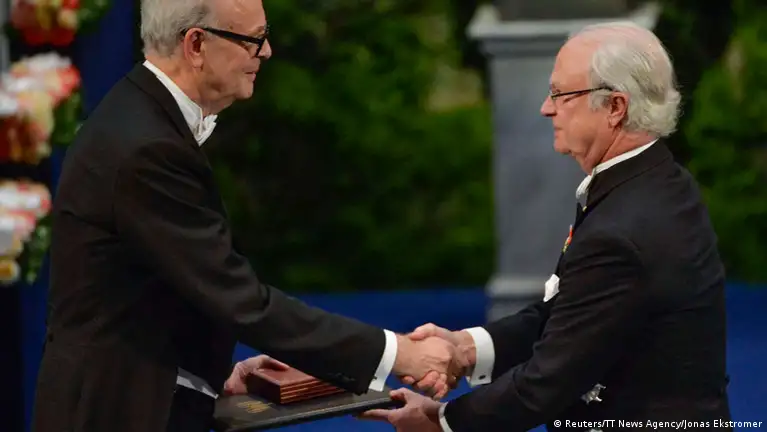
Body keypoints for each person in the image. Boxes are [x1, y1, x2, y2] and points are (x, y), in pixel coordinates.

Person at [30, 0, 463, 431]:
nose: (267, 51)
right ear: (196, 45)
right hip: (115, 410)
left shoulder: (140, 115)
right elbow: (237, 297)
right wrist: (396, 353)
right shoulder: (147, 148)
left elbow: (158, 285)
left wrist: (211, 373)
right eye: (252, 39)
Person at [363, 21, 733, 431]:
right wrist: (466, 348)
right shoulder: (660, 181)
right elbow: (571, 313)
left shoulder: (622, 229)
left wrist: (441, 421)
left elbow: (545, 385)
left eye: (560, 94)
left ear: (615, 107)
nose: (546, 107)